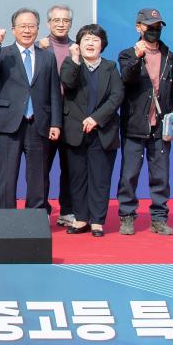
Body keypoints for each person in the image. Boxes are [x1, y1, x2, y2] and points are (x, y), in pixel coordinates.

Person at [0, 8, 62, 211]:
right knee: (6, 175)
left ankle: (36, 215)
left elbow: (54, 92)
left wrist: (55, 123)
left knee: (38, 175)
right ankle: (5, 217)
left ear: (38, 28)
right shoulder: (3, 53)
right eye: (22, 26)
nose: (27, 30)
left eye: (31, 26)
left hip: (38, 123)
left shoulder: (47, 57)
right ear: (13, 29)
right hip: (8, 124)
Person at [116, 8, 173, 236]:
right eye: (149, 26)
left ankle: (159, 218)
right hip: (135, 125)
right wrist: (137, 57)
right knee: (129, 174)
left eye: (158, 26)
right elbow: (128, 78)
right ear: (139, 27)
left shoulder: (169, 56)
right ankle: (127, 216)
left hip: (161, 127)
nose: (154, 30)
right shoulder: (127, 54)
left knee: (161, 175)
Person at [59, 25, 124, 238]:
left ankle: (97, 221)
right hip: (75, 131)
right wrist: (75, 59)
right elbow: (67, 83)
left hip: (103, 131)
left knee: (100, 177)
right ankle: (81, 219)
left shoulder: (110, 67)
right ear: (78, 43)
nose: (90, 43)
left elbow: (116, 96)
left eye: (95, 40)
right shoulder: (71, 64)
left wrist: (96, 118)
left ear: (102, 45)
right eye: (86, 39)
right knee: (77, 178)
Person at [38, 4, 76, 226]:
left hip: (71, 116)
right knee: (41, 166)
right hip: (46, 115)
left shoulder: (79, 47)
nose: (61, 24)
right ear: (48, 23)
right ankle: (41, 208)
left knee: (70, 167)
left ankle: (67, 210)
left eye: (65, 21)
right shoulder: (39, 47)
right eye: (56, 20)